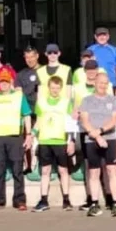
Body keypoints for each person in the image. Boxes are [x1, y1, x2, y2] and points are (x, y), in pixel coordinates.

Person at [0, 70, 32, 211]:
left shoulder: (18, 96)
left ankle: (19, 200)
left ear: (10, 82)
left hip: (15, 137)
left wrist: (28, 134)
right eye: (1, 81)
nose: (4, 84)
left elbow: (27, 115)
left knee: (17, 170)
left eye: (6, 81)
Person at [79, 75, 116, 217]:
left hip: (109, 139)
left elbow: (115, 119)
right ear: (95, 83)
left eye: (105, 83)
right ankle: (94, 203)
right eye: (100, 83)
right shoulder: (86, 101)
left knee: (112, 170)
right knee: (94, 173)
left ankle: (115, 203)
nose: (102, 85)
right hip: (91, 139)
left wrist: (101, 131)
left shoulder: (114, 100)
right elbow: (84, 121)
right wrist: (97, 136)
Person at [33, 76, 75, 212]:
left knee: (63, 170)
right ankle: (44, 200)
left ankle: (67, 200)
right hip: (45, 140)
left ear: (61, 88)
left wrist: (71, 141)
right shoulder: (41, 102)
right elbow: (38, 121)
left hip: (60, 141)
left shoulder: (66, 102)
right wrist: (32, 135)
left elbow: (71, 123)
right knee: (45, 171)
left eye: (57, 88)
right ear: (49, 88)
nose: (55, 90)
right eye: (52, 88)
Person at [15, 47, 42, 114]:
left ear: (37, 56)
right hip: (26, 113)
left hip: (41, 112)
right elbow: (18, 96)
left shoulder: (45, 71)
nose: (29, 60)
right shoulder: (20, 74)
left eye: (32, 57)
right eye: (27, 57)